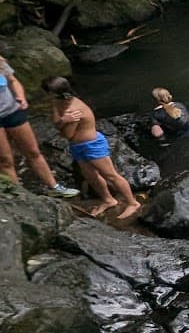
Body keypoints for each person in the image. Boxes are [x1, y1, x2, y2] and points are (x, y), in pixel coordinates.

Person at [43, 77, 138, 219]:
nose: (45, 95)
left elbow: (67, 134)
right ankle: (108, 199)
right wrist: (63, 121)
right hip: (77, 146)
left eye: (46, 91)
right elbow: (57, 122)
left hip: (92, 145)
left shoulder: (73, 108)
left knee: (111, 175)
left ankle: (133, 203)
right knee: (91, 176)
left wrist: (63, 122)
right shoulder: (57, 101)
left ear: (52, 92)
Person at [0, 59, 76, 197]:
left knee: (33, 151)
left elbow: (13, 81)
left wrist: (21, 97)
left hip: (13, 111)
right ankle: (20, 196)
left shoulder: (0, 62)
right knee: (5, 160)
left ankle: (54, 187)